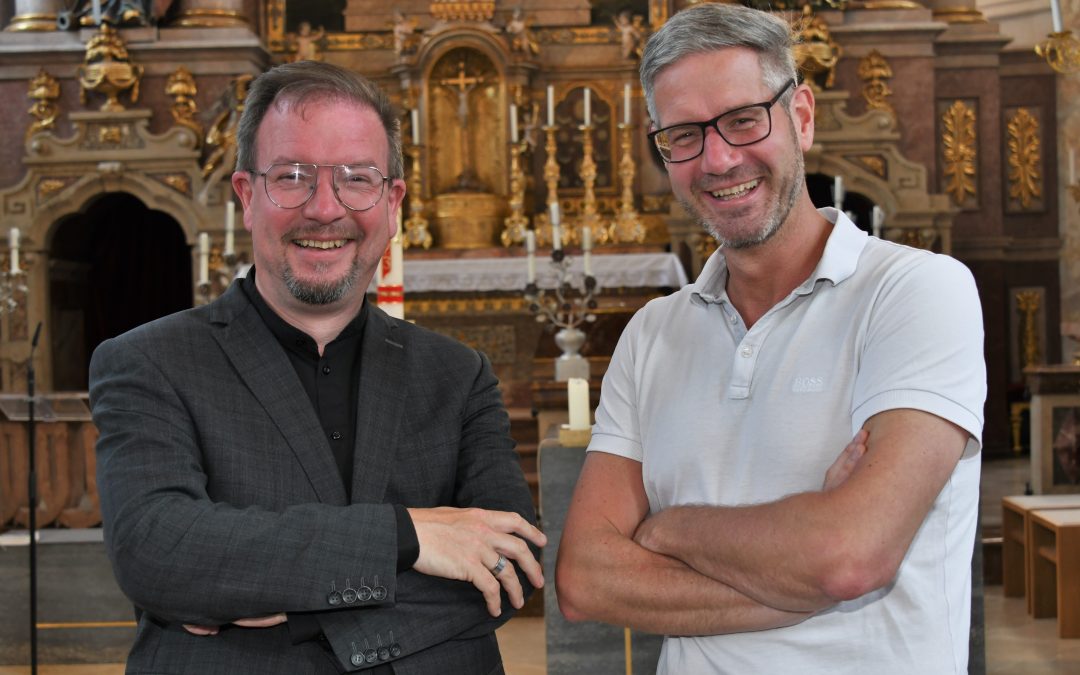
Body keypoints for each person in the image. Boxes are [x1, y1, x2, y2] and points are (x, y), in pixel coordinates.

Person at [555, 4, 986, 674]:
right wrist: (804, 568)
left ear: (802, 117)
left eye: (743, 119)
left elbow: (851, 554)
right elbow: (585, 577)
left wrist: (669, 529)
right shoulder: (652, 335)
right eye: (684, 136)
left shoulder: (918, 292)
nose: (719, 159)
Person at [91, 60, 545, 674]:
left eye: (357, 178)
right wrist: (406, 537)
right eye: (293, 177)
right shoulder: (148, 362)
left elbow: (513, 565)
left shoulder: (458, 375)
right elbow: (159, 550)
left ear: (393, 202)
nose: (325, 209)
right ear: (248, 196)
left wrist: (295, 607)